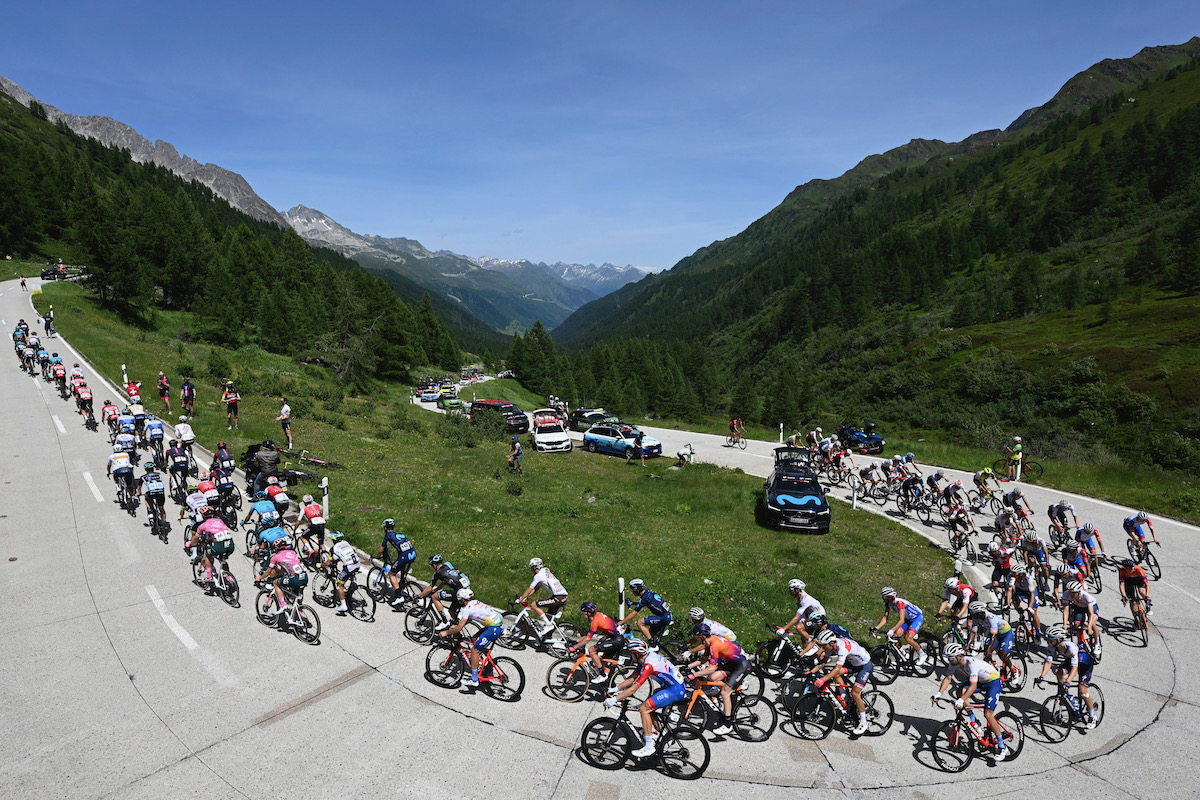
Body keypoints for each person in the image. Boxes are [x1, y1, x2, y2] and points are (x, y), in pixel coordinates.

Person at [604, 638, 687, 757]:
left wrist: (614, 699)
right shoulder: (644, 658)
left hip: (675, 690)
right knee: (649, 706)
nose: (630, 655)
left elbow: (633, 689)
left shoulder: (648, 665)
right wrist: (615, 689)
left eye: (631, 653)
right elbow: (632, 678)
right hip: (671, 686)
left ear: (636, 654)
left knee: (644, 708)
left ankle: (649, 747)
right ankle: (663, 734)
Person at [933, 643, 1010, 759]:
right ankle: (974, 720)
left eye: (950, 658)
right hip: (980, 681)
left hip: (993, 682)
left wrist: (961, 700)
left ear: (959, 656)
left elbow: (973, 686)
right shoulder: (955, 663)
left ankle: (1002, 746)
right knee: (960, 691)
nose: (948, 660)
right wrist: (939, 694)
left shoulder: (971, 664)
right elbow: (948, 678)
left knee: (988, 714)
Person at [685, 625, 749, 735]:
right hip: (731, 664)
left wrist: (693, 675)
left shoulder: (714, 645)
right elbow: (704, 659)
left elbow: (712, 668)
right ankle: (732, 688)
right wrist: (689, 667)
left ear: (703, 636)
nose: (696, 639)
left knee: (724, 692)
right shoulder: (708, 642)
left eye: (696, 637)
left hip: (742, 666)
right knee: (713, 678)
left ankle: (728, 725)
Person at [808, 628, 874, 735]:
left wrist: (822, 680)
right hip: (853, 663)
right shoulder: (832, 646)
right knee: (836, 674)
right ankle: (844, 697)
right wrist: (811, 672)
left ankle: (863, 722)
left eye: (824, 646)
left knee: (855, 693)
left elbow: (837, 669)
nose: (823, 648)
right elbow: (823, 663)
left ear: (832, 643)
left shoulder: (842, 648)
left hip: (865, 666)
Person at [438, 587, 505, 689]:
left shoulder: (466, 609)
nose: (459, 602)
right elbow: (468, 619)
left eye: (460, 600)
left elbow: (460, 628)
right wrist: (456, 626)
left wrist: (446, 632)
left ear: (463, 600)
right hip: (497, 623)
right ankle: (481, 661)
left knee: (474, 650)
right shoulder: (474, 602)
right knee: (474, 639)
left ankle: (474, 680)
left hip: (494, 628)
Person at [1034, 626, 1098, 728]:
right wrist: (1041, 677)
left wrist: (1068, 681)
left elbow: (1074, 669)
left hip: (1085, 661)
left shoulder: (1070, 647)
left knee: (1082, 689)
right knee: (1059, 672)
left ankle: (1092, 715)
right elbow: (1048, 662)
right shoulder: (1052, 646)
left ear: (1058, 639)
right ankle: (1071, 698)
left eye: (1050, 638)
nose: (1048, 640)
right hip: (1072, 660)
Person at [412, 554, 470, 629]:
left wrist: (418, 596)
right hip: (466, 589)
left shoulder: (438, 573)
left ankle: (444, 622)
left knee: (434, 597)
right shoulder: (448, 565)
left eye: (431, 566)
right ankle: (456, 629)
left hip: (460, 592)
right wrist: (436, 590)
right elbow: (445, 581)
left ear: (434, 565)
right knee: (451, 611)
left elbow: (429, 588)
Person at [255, 538, 307, 619]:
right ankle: (301, 613)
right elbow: (286, 567)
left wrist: (260, 577)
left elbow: (268, 572)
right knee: (296, 595)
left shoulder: (275, 557)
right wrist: (279, 572)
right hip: (304, 577)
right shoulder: (292, 552)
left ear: (276, 548)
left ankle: (283, 606)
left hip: (294, 579)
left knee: (276, 583)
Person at [873, 588, 928, 664]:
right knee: (896, 636)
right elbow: (885, 617)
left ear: (890, 597)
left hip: (916, 618)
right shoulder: (888, 604)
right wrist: (876, 628)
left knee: (908, 638)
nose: (883, 599)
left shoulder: (899, 603)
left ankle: (922, 654)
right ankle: (903, 653)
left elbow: (901, 620)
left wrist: (891, 630)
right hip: (907, 619)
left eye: (884, 598)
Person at [572, 601, 624, 678]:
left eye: (583, 613)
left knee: (592, 650)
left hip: (616, 640)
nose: (582, 614)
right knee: (603, 661)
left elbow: (587, 639)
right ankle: (608, 684)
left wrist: (573, 648)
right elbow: (588, 635)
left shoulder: (595, 621)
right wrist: (576, 641)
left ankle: (602, 675)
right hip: (615, 638)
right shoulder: (598, 615)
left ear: (588, 613)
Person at [517, 557, 568, 633]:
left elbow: (529, 589)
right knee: (548, 617)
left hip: (558, 598)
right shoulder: (545, 570)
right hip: (561, 596)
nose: (531, 570)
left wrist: (520, 599)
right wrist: (525, 597)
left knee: (534, 605)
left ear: (534, 568)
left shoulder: (538, 576)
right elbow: (536, 588)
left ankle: (549, 625)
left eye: (531, 568)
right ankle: (546, 639)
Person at [375, 518, 416, 609]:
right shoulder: (399, 534)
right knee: (401, 568)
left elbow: (381, 549)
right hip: (412, 553)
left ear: (385, 528)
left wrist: (377, 556)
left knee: (391, 574)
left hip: (405, 555)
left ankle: (399, 596)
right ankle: (401, 584)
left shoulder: (388, 535)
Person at [967, 601, 1016, 674]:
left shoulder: (991, 618)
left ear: (980, 613)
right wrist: (968, 645)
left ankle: (1014, 671)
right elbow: (973, 632)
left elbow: (993, 636)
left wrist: (990, 650)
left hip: (1006, 634)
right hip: (995, 634)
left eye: (973, 613)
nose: (972, 616)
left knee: (1002, 654)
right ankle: (991, 669)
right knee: (986, 651)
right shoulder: (976, 618)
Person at [619, 579, 673, 644]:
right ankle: (653, 646)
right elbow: (648, 603)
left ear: (637, 590)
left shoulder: (644, 598)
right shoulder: (647, 592)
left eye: (633, 590)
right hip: (666, 615)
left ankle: (653, 646)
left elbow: (633, 613)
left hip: (664, 617)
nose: (632, 592)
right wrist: (634, 603)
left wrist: (620, 623)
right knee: (649, 634)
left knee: (640, 622)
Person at [320, 531, 360, 614]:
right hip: (357, 563)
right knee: (346, 574)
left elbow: (327, 563)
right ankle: (353, 584)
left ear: (334, 540)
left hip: (349, 566)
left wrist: (320, 565)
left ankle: (343, 606)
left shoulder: (333, 548)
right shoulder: (346, 543)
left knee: (339, 585)